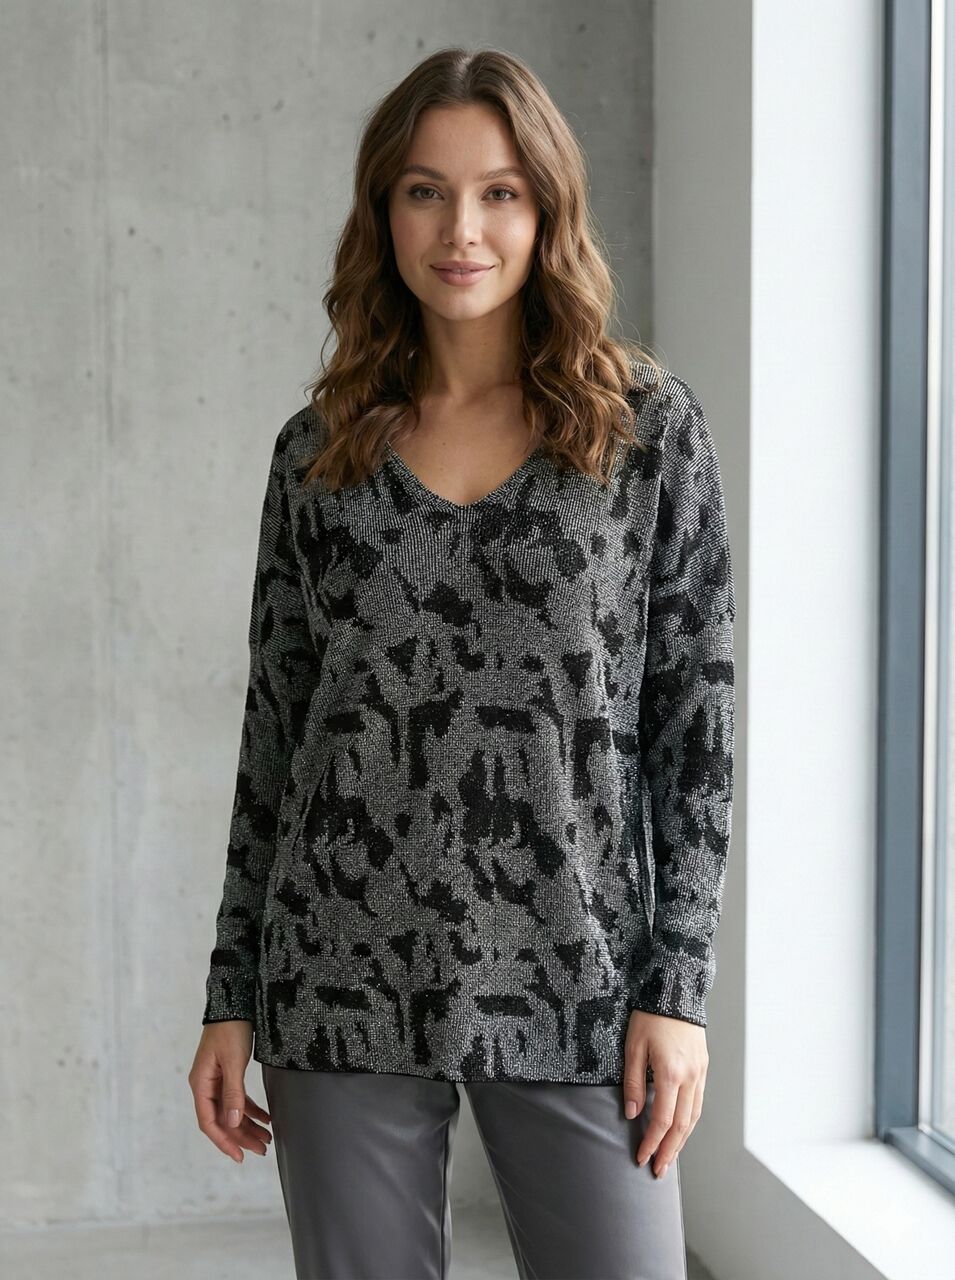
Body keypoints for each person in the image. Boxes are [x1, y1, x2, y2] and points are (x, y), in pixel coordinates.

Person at [188, 45, 735, 1280]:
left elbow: (695, 725)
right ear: (383, 210)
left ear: (547, 209)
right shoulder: (318, 454)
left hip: (576, 973)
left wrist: (678, 990)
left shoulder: (645, 433)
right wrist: (230, 991)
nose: (461, 230)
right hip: (338, 972)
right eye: (425, 191)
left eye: (499, 192)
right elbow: (276, 735)